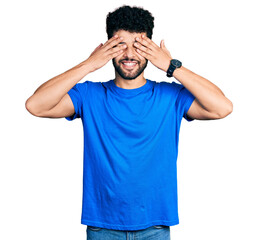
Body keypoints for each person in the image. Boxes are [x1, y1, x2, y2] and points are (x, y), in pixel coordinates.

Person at [25, 5, 233, 240]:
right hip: (102, 226)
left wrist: (172, 66)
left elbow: (222, 107)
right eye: (120, 45)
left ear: (151, 49)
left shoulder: (170, 97)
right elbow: (36, 105)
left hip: (154, 226)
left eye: (139, 45)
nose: (129, 54)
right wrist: (89, 64)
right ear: (108, 48)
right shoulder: (89, 95)